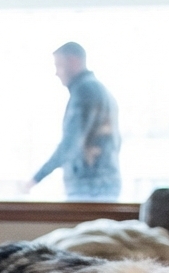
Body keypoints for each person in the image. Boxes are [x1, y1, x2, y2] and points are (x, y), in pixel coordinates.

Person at [24, 42, 121, 201]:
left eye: (59, 65)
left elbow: (70, 144)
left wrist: (36, 179)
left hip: (89, 188)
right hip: (105, 184)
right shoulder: (100, 91)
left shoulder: (85, 91)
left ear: (73, 61)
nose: (56, 73)